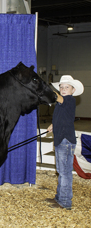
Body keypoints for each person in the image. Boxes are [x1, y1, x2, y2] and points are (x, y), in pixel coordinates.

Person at [46, 75, 84, 210]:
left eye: (66, 87)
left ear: (73, 90)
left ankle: (65, 202)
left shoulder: (69, 100)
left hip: (65, 140)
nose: (63, 89)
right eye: (61, 87)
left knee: (65, 172)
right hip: (60, 139)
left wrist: (45, 89)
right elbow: (60, 118)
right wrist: (52, 125)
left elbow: (58, 98)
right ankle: (60, 197)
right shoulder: (61, 104)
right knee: (61, 170)